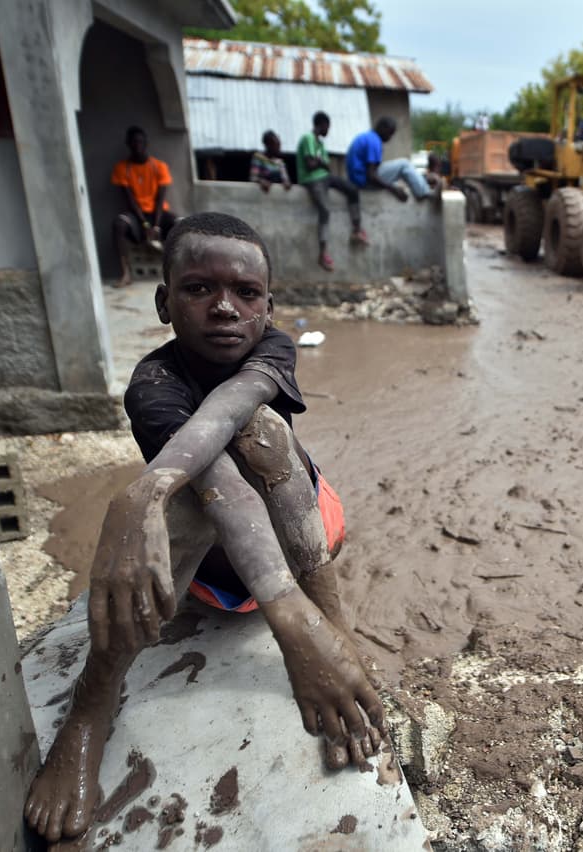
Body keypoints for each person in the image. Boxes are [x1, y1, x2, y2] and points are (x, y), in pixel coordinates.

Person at [22, 212, 386, 844]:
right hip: (214, 563)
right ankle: (92, 703)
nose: (224, 308)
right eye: (198, 289)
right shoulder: (153, 384)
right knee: (197, 491)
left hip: (297, 538)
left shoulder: (273, 348)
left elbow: (229, 412)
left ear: (267, 308)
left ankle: (336, 627)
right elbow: (222, 488)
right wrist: (286, 620)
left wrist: (144, 488)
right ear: (165, 303)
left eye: (246, 293)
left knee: (262, 430)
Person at [297, 111, 368, 273]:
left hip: (325, 177)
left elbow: (325, 165)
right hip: (312, 179)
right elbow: (310, 165)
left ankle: (357, 230)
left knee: (352, 190)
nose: (328, 131)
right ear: (321, 125)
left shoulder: (320, 144)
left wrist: (320, 162)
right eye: (327, 127)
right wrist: (320, 163)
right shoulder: (308, 138)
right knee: (325, 210)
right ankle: (322, 254)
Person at [111, 126, 176, 288]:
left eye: (140, 141)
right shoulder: (122, 168)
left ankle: (178, 272)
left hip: (158, 214)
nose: (137, 145)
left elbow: (160, 200)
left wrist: (156, 226)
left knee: (181, 223)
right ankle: (125, 274)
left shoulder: (159, 166)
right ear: (128, 144)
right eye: (133, 142)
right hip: (137, 215)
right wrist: (145, 224)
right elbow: (130, 200)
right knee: (119, 224)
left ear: (146, 143)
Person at [346, 117, 440, 204]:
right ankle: (424, 192)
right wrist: (393, 189)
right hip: (364, 182)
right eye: (390, 133)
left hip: (357, 180)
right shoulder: (374, 141)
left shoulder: (367, 137)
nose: (390, 138)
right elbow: (371, 175)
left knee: (400, 178)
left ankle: (422, 184)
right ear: (383, 129)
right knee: (404, 164)